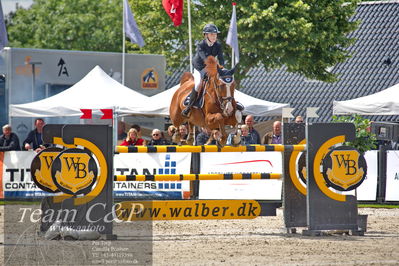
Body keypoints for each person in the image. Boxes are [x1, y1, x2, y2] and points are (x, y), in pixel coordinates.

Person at [181, 23, 225, 117]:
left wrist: (222, 67)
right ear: (206, 35)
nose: (214, 36)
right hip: (199, 67)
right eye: (212, 34)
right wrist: (212, 66)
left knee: (222, 81)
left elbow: (221, 58)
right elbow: (204, 59)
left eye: (215, 34)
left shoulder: (218, 45)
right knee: (198, 84)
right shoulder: (201, 45)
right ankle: (188, 107)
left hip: (211, 66)